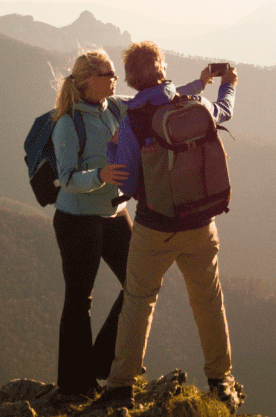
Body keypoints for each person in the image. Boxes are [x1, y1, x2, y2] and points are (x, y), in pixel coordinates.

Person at [49, 48, 213, 400]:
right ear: (89, 80)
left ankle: (102, 364)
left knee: (136, 286)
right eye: (108, 74)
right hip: (77, 218)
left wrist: (201, 83)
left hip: (112, 213)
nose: (115, 80)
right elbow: (66, 178)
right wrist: (101, 174)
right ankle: (74, 385)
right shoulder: (67, 123)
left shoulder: (117, 107)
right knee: (80, 300)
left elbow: (161, 95)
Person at [97, 41, 244, 413]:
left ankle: (120, 386)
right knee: (208, 301)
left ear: (130, 79)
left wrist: (114, 149)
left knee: (138, 303)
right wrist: (227, 85)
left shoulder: (133, 121)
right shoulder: (193, 106)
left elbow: (127, 184)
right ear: (162, 68)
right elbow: (223, 111)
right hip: (201, 224)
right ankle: (220, 380)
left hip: (154, 228)